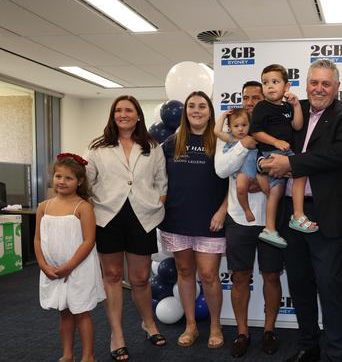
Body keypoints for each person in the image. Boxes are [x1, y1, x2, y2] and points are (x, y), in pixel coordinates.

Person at [260, 59, 342, 362]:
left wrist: (289, 164)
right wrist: (266, 162)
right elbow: (268, 139)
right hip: (291, 211)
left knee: (330, 288)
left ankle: (337, 354)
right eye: (313, 82)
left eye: (326, 83)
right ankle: (308, 345)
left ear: (337, 87)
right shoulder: (291, 109)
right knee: (300, 284)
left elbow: (337, 155)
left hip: (325, 214)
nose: (318, 88)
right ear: (305, 83)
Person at [86, 95, 167, 361]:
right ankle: (117, 334)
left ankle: (149, 323)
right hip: (107, 217)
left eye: (129, 110)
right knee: (111, 276)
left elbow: (161, 181)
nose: (123, 114)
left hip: (141, 216)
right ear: (113, 115)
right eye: (118, 110)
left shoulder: (152, 147)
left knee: (141, 278)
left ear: (138, 115)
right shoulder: (98, 148)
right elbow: (87, 182)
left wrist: (158, 202)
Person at [214, 98, 284, 359]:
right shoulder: (233, 138)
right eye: (248, 98)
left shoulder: (271, 134)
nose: (252, 103)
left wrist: (260, 178)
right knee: (240, 277)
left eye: (258, 99)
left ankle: (269, 330)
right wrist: (243, 144)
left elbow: (283, 170)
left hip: (269, 220)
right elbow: (222, 171)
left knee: (272, 276)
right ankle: (242, 332)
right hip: (239, 219)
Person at [158, 91, 228, 349]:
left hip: (211, 222)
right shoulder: (171, 143)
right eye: (191, 106)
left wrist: (223, 211)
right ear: (185, 111)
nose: (196, 110)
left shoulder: (221, 142)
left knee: (209, 275)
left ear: (210, 112)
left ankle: (216, 325)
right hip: (176, 219)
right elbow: (159, 181)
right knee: (185, 272)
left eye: (202, 106)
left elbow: (234, 180)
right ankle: (191, 325)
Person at [34, 153, 106, 362]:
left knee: (81, 312)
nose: (61, 182)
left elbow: (88, 241)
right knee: (64, 312)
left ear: (80, 181)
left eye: (68, 178)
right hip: (52, 270)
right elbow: (38, 240)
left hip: (78, 269)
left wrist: (69, 266)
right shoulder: (43, 207)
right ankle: (67, 354)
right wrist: (42, 264)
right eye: (58, 176)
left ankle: (88, 356)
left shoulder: (83, 207)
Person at [250, 63, 312, 248]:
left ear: (286, 86)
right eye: (265, 82)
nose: (269, 86)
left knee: (276, 192)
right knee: (301, 171)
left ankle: (270, 229)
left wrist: (296, 106)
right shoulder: (261, 106)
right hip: (273, 152)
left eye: (275, 82)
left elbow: (298, 126)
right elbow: (255, 132)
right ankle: (298, 214)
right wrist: (275, 142)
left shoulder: (287, 106)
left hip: (283, 152)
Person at [214, 108, 260, 222]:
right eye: (236, 126)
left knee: (269, 187)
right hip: (243, 172)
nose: (240, 129)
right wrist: (224, 116)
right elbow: (217, 131)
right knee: (240, 188)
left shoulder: (254, 136)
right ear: (229, 127)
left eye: (244, 125)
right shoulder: (231, 138)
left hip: (257, 170)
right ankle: (247, 210)